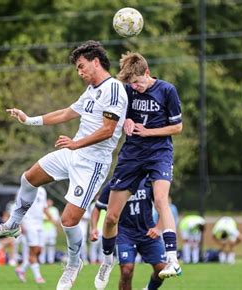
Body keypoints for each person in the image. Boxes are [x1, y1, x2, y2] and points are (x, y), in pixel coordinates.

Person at [0, 40, 128, 290]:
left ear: (95, 62)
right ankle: (13, 224)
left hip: (92, 165)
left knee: (68, 221)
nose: (79, 72)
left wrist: (76, 143)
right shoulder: (91, 91)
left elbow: (108, 130)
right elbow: (64, 114)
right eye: (77, 69)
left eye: (81, 67)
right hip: (73, 153)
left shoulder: (113, 89)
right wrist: (29, 120)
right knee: (29, 177)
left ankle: (73, 263)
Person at [95, 51, 183, 289]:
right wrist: (125, 121)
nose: (135, 87)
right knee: (111, 216)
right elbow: (117, 115)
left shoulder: (167, 90)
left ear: (147, 72)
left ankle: (173, 259)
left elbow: (177, 127)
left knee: (161, 200)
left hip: (159, 153)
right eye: (131, 83)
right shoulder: (127, 90)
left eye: (138, 82)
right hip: (132, 155)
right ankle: (106, 261)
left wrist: (148, 131)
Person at [91, 178, 167, 290]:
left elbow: (163, 205)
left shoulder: (147, 181)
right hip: (125, 234)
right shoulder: (114, 183)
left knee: (162, 269)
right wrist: (93, 228)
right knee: (126, 271)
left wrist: (158, 227)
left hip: (148, 232)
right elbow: (97, 207)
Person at [14, 186, 50, 284]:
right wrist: (21, 223)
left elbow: (44, 207)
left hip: (40, 223)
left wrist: (53, 219)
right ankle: (38, 277)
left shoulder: (43, 190)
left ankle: (21, 269)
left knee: (39, 251)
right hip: (28, 222)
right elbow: (18, 208)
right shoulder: (23, 189)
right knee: (33, 250)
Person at [40, 198, 60, 264]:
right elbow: (42, 218)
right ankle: (42, 260)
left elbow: (56, 219)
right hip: (43, 229)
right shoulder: (42, 209)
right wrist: (50, 218)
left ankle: (50, 260)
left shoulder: (54, 209)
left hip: (52, 229)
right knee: (42, 245)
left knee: (51, 245)